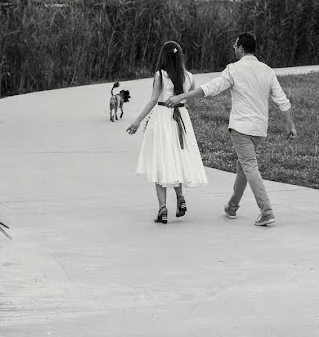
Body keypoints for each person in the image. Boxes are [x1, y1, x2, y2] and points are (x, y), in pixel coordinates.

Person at [166, 32, 296, 227]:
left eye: (235, 46)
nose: (234, 49)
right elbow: (282, 101)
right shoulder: (267, 71)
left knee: (249, 167)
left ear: (241, 48)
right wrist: (291, 126)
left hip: (241, 128)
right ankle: (232, 206)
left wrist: (180, 96)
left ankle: (266, 211)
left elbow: (210, 88)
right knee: (243, 166)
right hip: (259, 129)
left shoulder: (234, 69)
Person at [126, 41, 208, 224]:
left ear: (163, 56)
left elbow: (153, 100)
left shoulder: (161, 75)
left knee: (161, 160)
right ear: (180, 56)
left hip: (162, 118)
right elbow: (192, 101)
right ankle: (180, 198)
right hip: (181, 118)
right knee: (176, 158)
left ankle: (162, 208)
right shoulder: (188, 76)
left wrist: (137, 121)